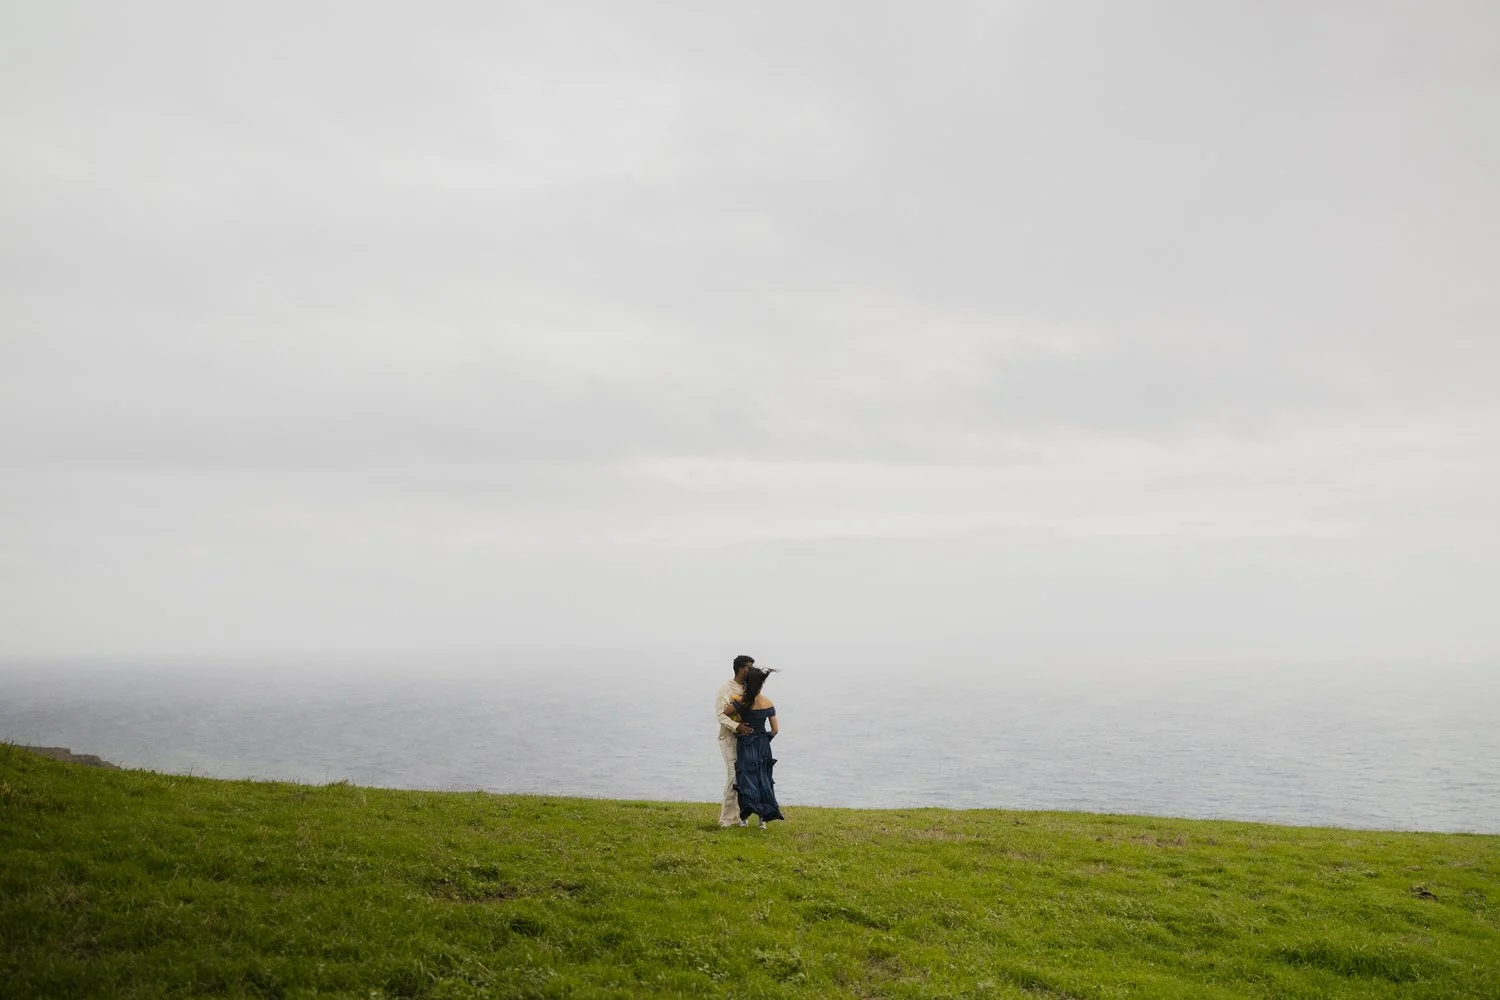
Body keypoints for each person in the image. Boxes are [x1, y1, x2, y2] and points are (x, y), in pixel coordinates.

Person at [732, 665, 783, 828]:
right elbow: (775, 730)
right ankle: (763, 819)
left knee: (746, 778)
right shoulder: (768, 702)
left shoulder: (741, 700)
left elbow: (725, 712)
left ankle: (744, 818)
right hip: (762, 744)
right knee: (764, 779)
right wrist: (764, 738)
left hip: (746, 742)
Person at [715, 655, 755, 827]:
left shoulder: (750, 689)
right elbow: (721, 715)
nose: (751, 671)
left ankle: (739, 816)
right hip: (729, 738)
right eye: (749, 668)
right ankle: (726, 819)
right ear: (741, 669)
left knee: (743, 777)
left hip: (746, 740)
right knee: (733, 777)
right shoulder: (725, 689)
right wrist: (736, 726)